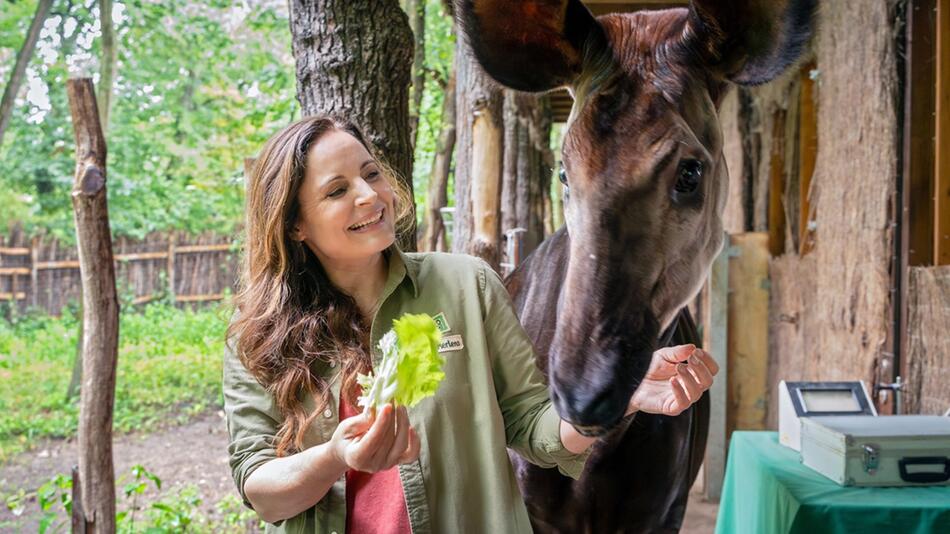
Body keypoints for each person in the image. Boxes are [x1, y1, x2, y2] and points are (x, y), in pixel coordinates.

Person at [223, 115, 718, 534]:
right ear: (295, 224)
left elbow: (535, 429)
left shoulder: (467, 285)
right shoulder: (258, 337)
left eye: (371, 174)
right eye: (337, 190)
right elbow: (263, 491)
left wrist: (623, 394)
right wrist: (336, 457)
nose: (370, 196)